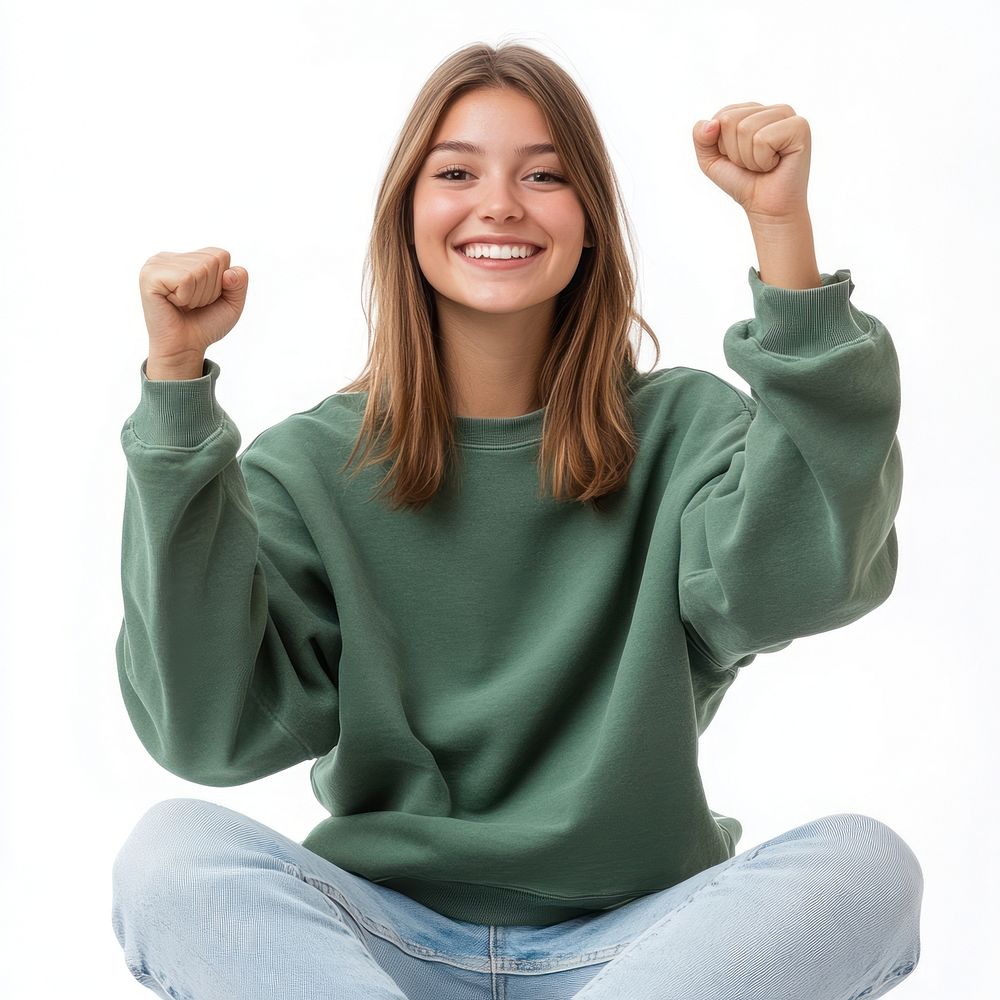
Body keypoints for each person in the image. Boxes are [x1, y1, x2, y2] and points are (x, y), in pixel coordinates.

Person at [110, 40, 922, 1000]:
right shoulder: (309, 467)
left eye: (544, 175)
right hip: (378, 946)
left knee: (865, 866)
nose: (500, 203)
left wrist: (783, 236)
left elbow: (803, 578)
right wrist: (174, 391)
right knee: (172, 856)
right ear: (406, 215)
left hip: (641, 951)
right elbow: (205, 729)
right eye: (457, 172)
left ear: (590, 225)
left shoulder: (684, 432)